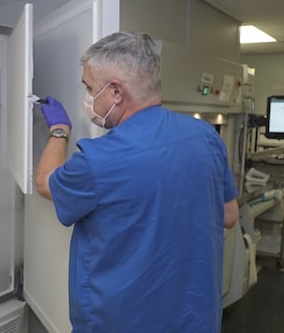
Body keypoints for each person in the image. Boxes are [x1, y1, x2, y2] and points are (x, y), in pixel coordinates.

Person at [35, 31, 239, 333]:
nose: (88, 98)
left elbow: (44, 182)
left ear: (115, 92)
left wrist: (60, 130)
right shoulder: (206, 136)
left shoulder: (97, 160)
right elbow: (229, 216)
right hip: (195, 321)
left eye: (90, 88)